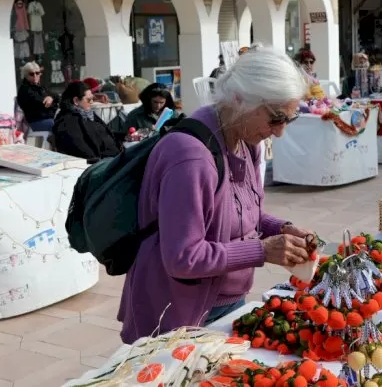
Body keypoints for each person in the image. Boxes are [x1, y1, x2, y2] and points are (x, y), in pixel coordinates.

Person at [118, 48, 314, 343]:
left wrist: (281, 229)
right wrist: (263, 250)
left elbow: (242, 212)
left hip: (225, 302)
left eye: (289, 119)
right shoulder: (190, 157)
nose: (280, 132)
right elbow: (184, 257)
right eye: (276, 119)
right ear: (240, 100)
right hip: (178, 316)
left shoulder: (247, 141)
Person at [52, 81, 120, 164]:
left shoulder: (87, 113)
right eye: (89, 99)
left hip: (114, 158)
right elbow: (81, 151)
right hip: (102, 165)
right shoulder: (67, 122)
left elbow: (104, 133)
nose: (92, 102)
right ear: (76, 100)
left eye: (92, 98)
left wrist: (124, 137)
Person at [16, 62, 58, 132]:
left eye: (37, 73)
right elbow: (44, 104)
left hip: (47, 118)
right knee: (60, 125)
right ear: (26, 75)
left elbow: (56, 96)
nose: (35, 76)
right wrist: (53, 103)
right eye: (31, 74)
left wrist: (51, 97)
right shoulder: (25, 90)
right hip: (36, 121)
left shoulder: (39, 86)